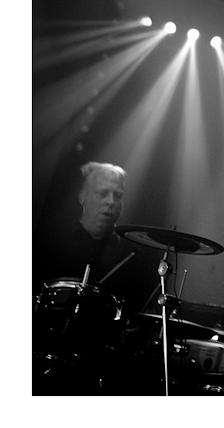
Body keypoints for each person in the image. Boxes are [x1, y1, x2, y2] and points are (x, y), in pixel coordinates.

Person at [32, 161, 161, 394]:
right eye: (102, 193)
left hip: (100, 369)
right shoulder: (47, 242)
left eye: (117, 195)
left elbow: (142, 319)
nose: (111, 202)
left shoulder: (134, 259)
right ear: (83, 197)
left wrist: (137, 329)